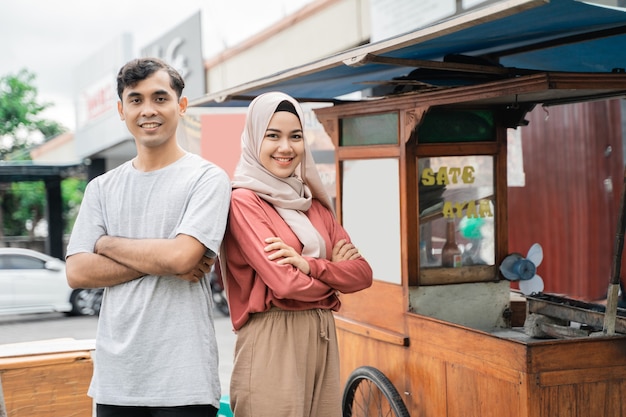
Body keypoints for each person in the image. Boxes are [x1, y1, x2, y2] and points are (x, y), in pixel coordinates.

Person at [65, 57, 231, 417]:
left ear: (181, 105)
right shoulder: (101, 188)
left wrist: (106, 244)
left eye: (160, 97)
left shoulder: (207, 178)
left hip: (184, 378)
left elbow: (182, 259)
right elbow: (77, 272)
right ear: (121, 110)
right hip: (116, 378)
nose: (148, 110)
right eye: (136, 100)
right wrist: (165, 259)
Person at [220, 91, 373, 417]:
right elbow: (286, 285)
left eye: (296, 136)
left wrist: (310, 265)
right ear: (253, 139)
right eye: (272, 136)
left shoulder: (314, 205)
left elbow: (362, 274)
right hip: (273, 336)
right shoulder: (245, 202)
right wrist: (332, 272)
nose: (286, 147)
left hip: (323, 334)